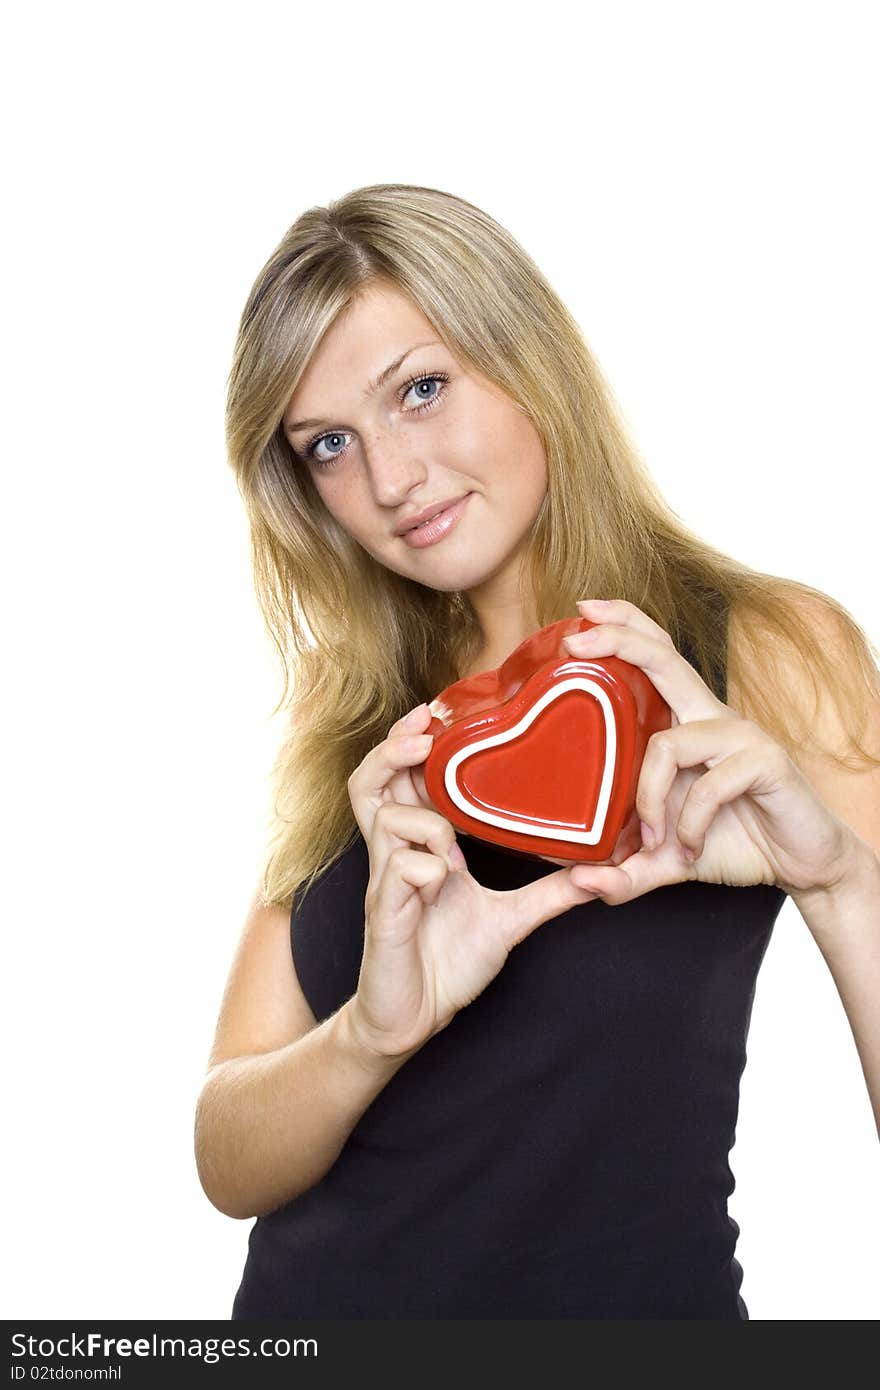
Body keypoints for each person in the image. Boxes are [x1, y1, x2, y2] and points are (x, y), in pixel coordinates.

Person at [194, 183, 880, 1320]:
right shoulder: (349, 698)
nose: (390, 480)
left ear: (528, 355)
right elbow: (227, 1153)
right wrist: (372, 1031)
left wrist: (842, 885)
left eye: (421, 389)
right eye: (329, 445)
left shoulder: (760, 649)